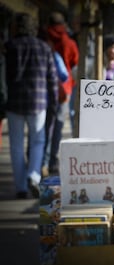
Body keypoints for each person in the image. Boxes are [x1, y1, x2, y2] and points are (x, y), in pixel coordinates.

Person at [5, 13, 58, 199]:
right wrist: (54, 102)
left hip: (14, 103)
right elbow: (52, 79)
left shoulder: (9, 47)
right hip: (38, 102)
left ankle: (20, 187)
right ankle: (34, 176)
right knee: (38, 141)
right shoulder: (44, 48)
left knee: (16, 146)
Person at [46, 11, 79, 175]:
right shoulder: (69, 42)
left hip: (44, 88)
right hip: (64, 90)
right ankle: (53, 161)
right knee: (58, 127)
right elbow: (74, 66)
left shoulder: (44, 39)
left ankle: (40, 161)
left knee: (43, 127)